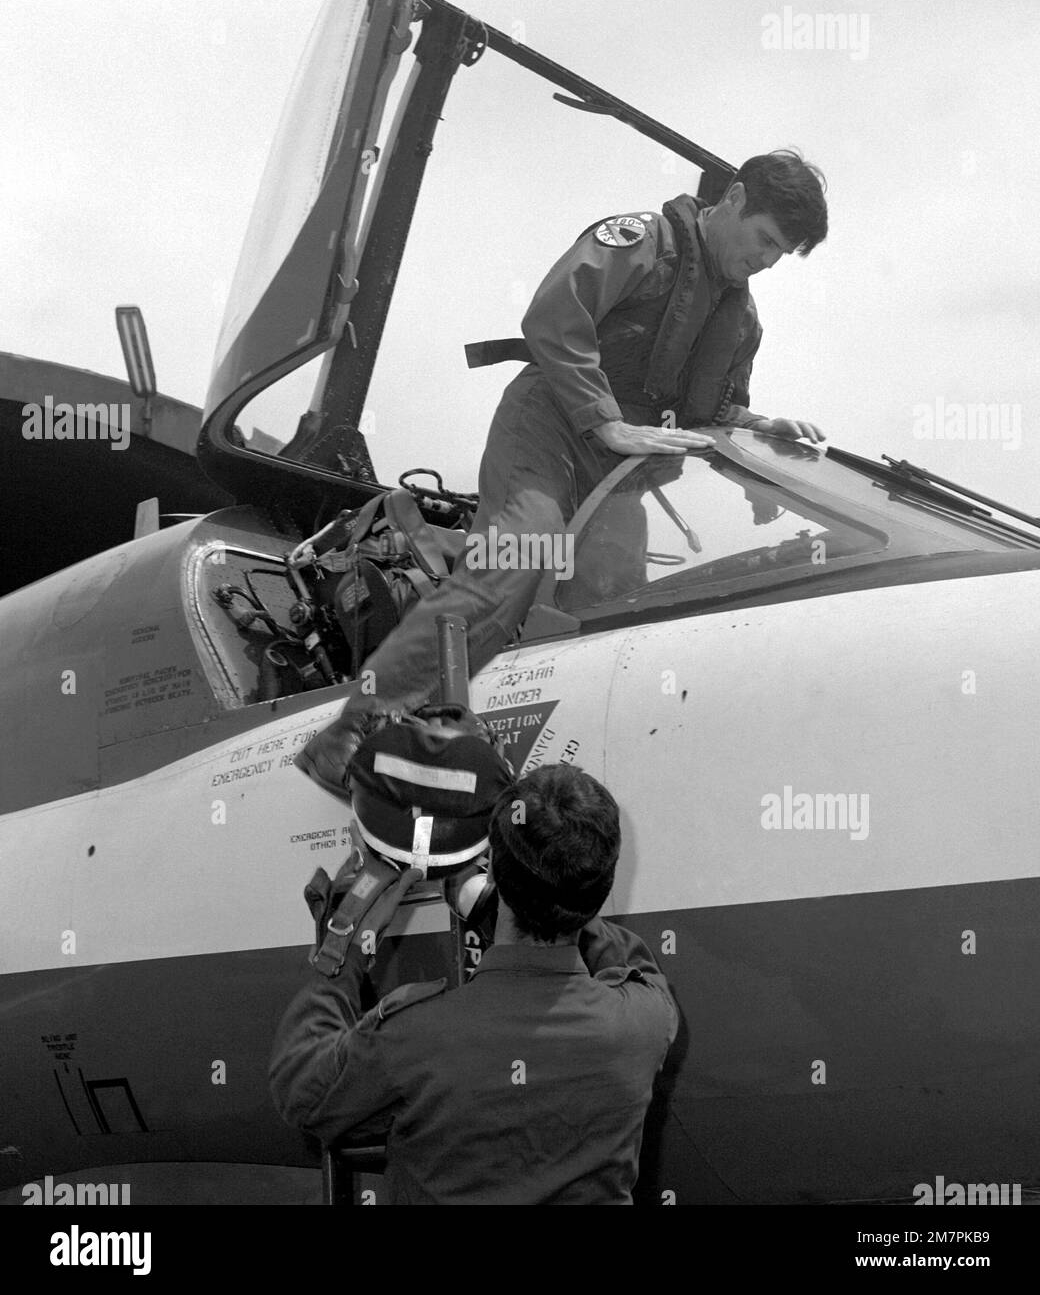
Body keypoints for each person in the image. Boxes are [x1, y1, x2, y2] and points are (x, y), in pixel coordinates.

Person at [296, 149, 828, 794]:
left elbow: (710, 412)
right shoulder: (639, 243)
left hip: (617, 472)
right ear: (735, 199)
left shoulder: (741, 321)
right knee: (517, 558)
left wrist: (761, 425)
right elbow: (553, 315)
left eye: (781, 254)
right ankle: (350, 732)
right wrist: (603, 421)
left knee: (621, 607)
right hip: (549, 430)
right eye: (766, 240)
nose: (767, 261)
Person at [269, 759, 678, 1205]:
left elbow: (301, 1088)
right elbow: (623, 953)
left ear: (497, 873)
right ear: (603, 885)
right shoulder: (644, 1021)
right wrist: (509, 901)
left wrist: (343, 942)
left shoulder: (416, 1035)